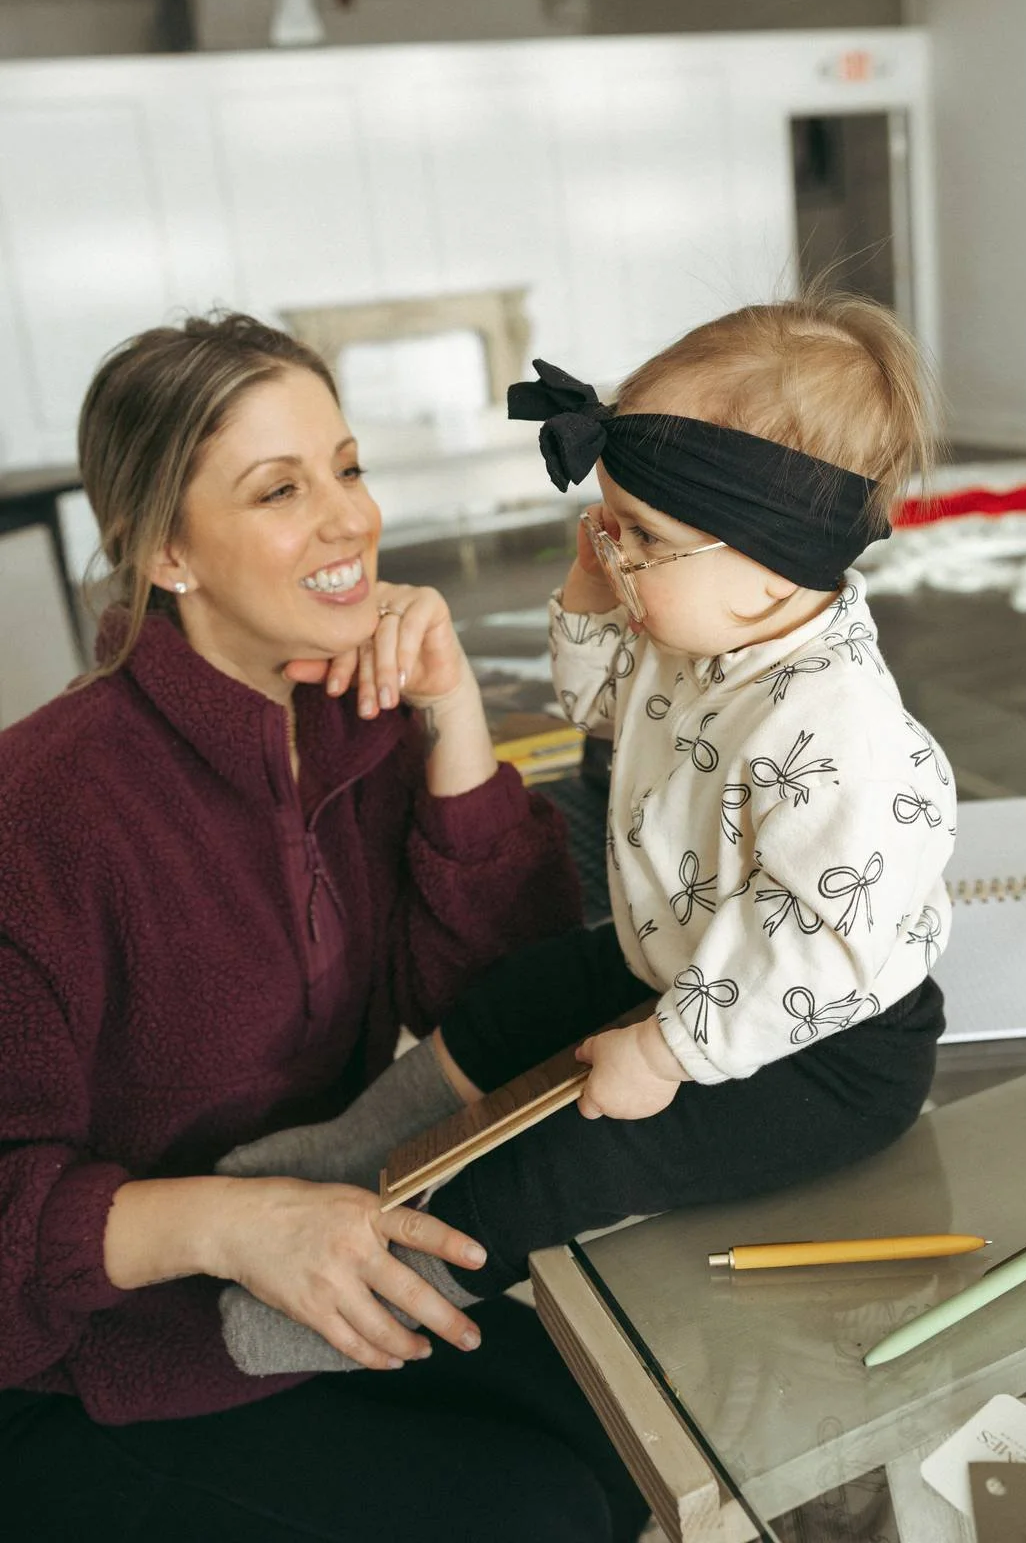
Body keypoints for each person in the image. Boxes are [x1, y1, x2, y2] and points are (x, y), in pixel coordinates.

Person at [215, 292, 957, 1377]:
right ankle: (354, 1148)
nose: (616, 552)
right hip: (679, 962)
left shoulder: (843, 734)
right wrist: (594, 584)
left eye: (643, 538)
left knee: (581, 1155)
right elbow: (600, 701)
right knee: (521, 998)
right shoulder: (699, 627)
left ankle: (386, 1284)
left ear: (773, 564)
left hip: (819, 1050)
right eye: (610, 522)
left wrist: (666, 1052)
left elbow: (819, 949)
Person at [0, 313, 648, 1543]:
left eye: (347, 468)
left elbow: (504, 1003)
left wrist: (454, 716)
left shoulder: (352, 722)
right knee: (536, 1514)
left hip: (312, 1277)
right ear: (167, 552)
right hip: (82, 1372)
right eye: (279, 490)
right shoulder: (39, 812)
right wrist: (234, 1222)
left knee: (632, 1435)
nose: (350, 518)